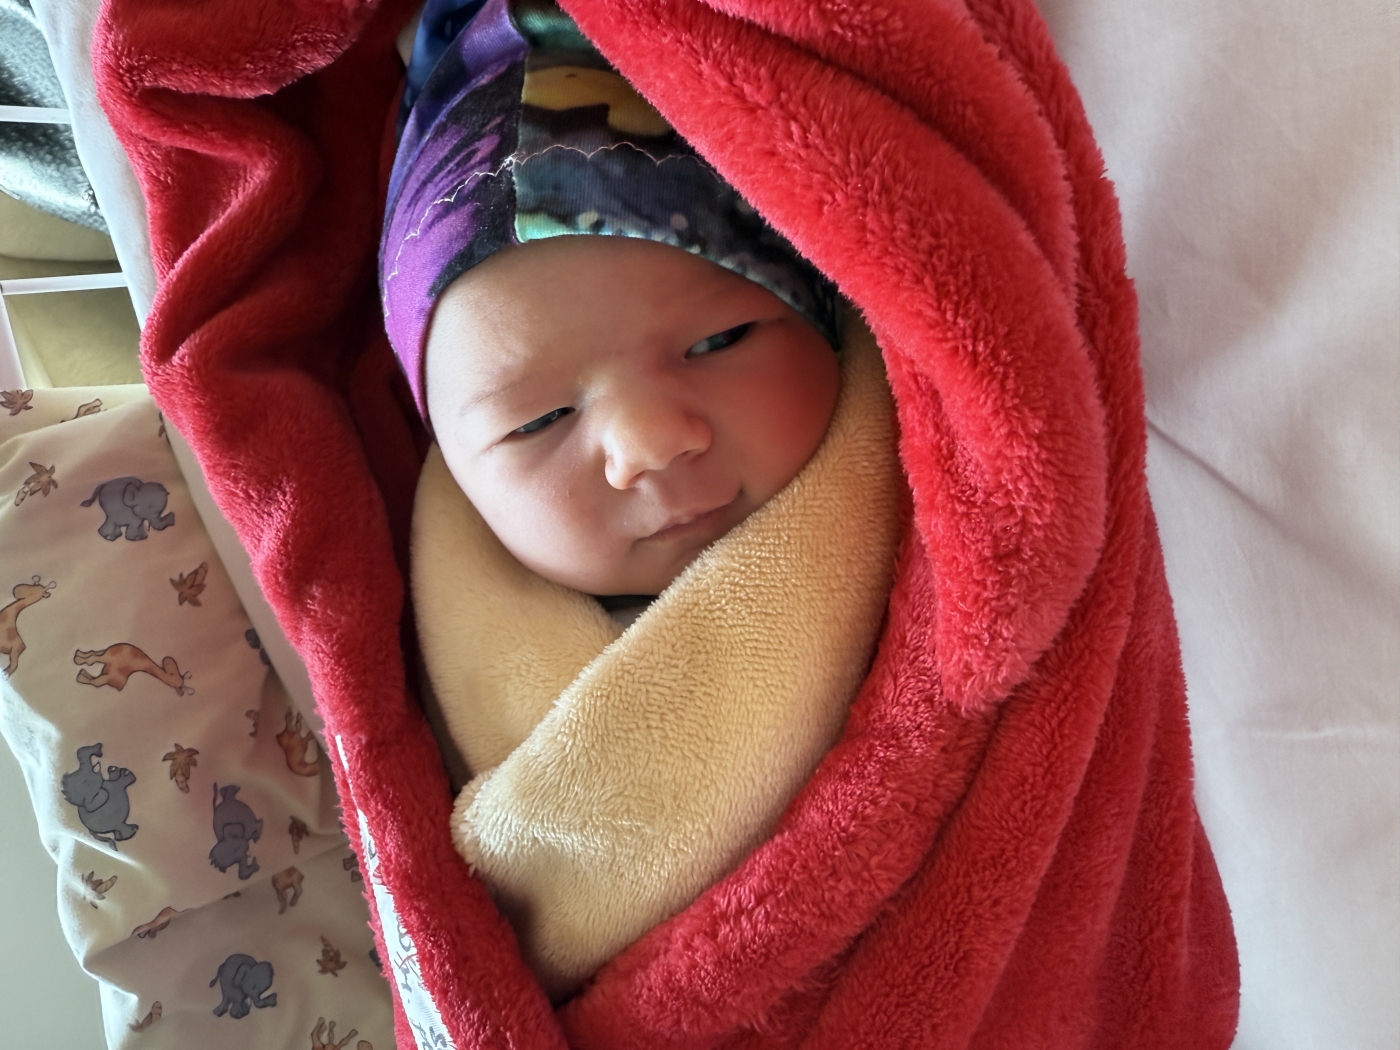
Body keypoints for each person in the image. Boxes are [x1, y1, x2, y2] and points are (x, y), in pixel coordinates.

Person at [379, 0, 905, 998]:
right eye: (539, 421)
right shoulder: (427, 661)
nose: (649, 443)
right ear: (453, 470)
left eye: (719, 342)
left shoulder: (929, 503)